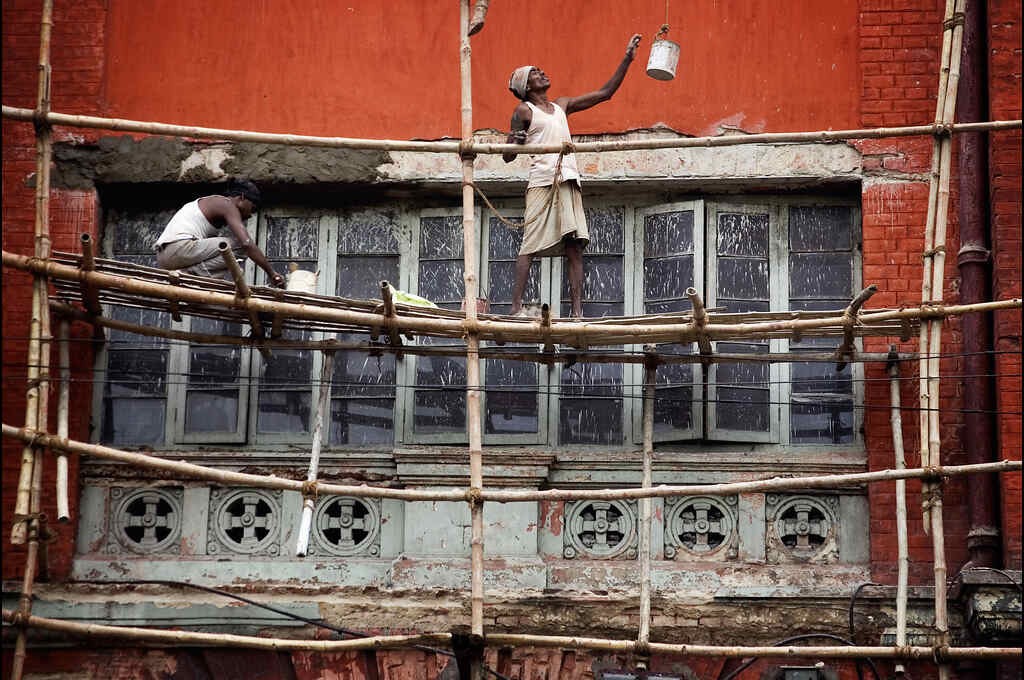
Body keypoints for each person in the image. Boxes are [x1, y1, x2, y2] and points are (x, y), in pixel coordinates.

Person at [503, 34, 642, 318]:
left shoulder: (561, 106)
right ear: (526, 86)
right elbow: (508, 155)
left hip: (568, 178)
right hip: (542, 180)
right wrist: (511, 140)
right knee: (530, 244)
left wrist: (627, 58)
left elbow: (605, 93)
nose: (542, 74)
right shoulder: (523, 110)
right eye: (535, 73)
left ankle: (577, 313)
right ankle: (516, 307)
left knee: (575, 246)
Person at [154, 179, 285, 287]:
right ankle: (191, 274)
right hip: (178, 248)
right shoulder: (226, 204)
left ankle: (188, 275)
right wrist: (271, 273)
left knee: (229, 257)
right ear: (241, 198)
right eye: (253, 208)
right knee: (240, 245)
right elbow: (246, 244)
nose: (251, 215)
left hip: (165, 258)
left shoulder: (212, 206)